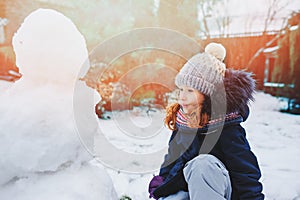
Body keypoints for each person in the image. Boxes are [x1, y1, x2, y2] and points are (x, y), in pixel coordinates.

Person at [148, 43, 264, 200]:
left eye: (190, 91)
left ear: (207, 95)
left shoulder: (226, 126)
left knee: (202, 164)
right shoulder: (184, 120)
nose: (182, 96)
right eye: (181, 89)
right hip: (191, 187)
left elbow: (244, 170)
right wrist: (162, 182)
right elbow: (173, 156)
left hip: (222, 189)